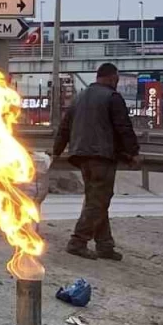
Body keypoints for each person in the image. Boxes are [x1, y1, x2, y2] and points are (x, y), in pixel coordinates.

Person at [53, 62, 140, 260]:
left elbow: (64, 127)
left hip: (81, 155)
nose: (116, 83)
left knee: (96, 200)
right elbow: (123, 127)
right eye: (116, 79)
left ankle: (105, 245)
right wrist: (133, 152)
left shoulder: (80, 97)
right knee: (98, 201)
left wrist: (56, 151)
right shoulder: (112, 97)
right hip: (102, 156)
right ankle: (78, 241)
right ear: (111, 78)